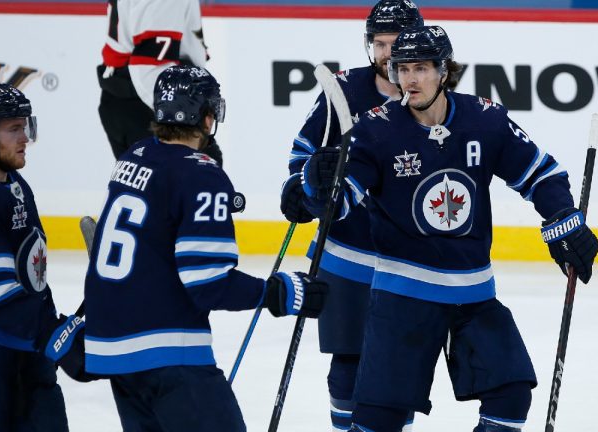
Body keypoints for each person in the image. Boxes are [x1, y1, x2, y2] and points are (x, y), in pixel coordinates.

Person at [302, 26, 598, 432]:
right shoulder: (376, 129)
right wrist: (318, 187)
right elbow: (344, 195)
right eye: (401, 68)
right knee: (378, 418)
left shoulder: (485, 119)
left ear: (443, 71)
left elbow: (541, 173)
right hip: (402, 295)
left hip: (472, 293)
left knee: (511, 394)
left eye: (421, 68)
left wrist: (563, 220)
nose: (409, 79)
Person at [83, 65, 328, 432]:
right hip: (167, 352)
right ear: (208, 116)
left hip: (114, 351)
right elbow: (208, 282)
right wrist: (278, 293)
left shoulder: (135, 155)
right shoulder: (201, 174)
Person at [280, 1, 423, 429]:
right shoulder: (343, 90)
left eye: (394, 44)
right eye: (378, 44)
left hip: (410, 260)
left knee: (399, 370)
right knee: (346, 368)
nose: (385, 54)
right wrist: (302, 187)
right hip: (346, 255)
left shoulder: (434, 95)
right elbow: (302, 155)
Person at [0, 83, 88, 431]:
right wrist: (55, 335)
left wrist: (56, 330)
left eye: (25, 126)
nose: (25, 137)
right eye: (14, 129)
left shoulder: (13, 183)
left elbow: (29, 273)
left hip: (27, 353)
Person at [97, 0, 222, 164]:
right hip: (148, 107)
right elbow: (149, 70)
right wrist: (186, 125)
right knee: (205, 173)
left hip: (128, 98)